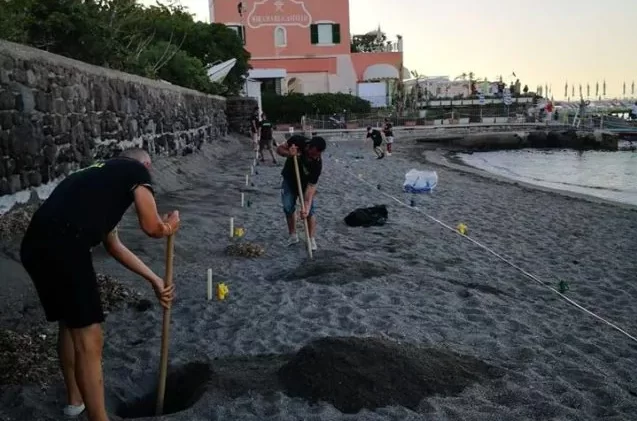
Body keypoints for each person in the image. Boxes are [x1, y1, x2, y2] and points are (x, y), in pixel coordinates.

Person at [19, 148, 179, 421]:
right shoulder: (136, 171)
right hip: (66, 243)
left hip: (34, 245)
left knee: (70, 324)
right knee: (90, 337)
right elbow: (152, 227)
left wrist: (154, 280)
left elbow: (113, 245)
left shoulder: (95, 176)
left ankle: (74, 401)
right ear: (147, 165)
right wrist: (168, 227)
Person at [276, 134, 326, 249]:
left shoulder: (317, 163)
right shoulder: (297, 141)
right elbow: (279, 149)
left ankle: (311, 239)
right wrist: (289, 153)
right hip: (289, 180)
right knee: (288, 207)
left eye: (318, 154)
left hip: (306, 185)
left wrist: (306, 207)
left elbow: (311, 187)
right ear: (309, 147)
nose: (315, 157)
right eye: (314, 154)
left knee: (309, 211)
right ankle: (293, 236)